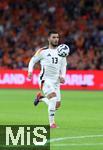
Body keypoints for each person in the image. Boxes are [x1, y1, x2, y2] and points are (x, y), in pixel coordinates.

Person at [28, 30, 67, 128]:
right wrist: (30, 71)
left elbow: (64, 65)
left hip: (56, 81)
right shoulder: (42, 51)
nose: (56, 39)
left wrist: (63, 76)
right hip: (45, 79)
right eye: (54, 37)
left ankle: (41, 99)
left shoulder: (62, 51)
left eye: (57, 37)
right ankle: (52, 123)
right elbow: (32, 61)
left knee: (56, 105)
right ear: (49, 39)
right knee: (53, 98)